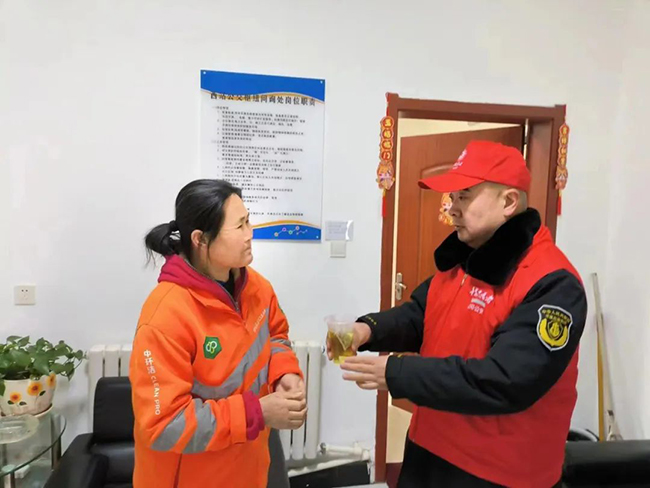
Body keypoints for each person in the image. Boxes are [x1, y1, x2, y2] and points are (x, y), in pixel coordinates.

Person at [331, 141, 587, 487]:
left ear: (509, 202)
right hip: (428, 451)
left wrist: (397, 372)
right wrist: (368, 330)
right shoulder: (467, 257)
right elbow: (420, 314)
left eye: (464, 197)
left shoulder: (552, 283)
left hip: (498, 472)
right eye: (452, 197)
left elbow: (505, 380)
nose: (451, 209)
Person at [130, 179, 306, 488]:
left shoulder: (256, 288)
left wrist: (284, 373)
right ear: (200, 239)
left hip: (250, 468)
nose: (250, 233)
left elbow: (276, 335)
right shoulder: (165, 317)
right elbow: (164, 425)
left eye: (248, 220)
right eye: (239, 226)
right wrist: (258, 412)